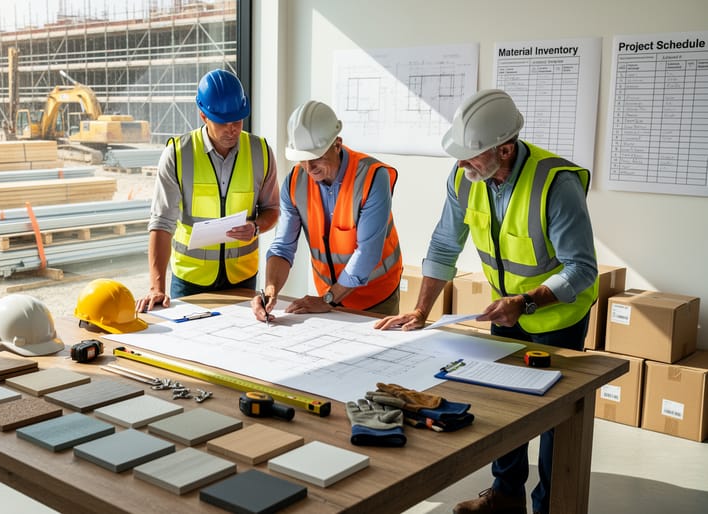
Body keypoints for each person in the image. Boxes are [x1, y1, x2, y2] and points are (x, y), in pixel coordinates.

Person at [375, 89, 598, 514]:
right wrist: (421, 310)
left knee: (554, 420)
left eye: (471, 156)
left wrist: (526, 302)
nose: (462, 165)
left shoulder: (557, 183)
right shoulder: (465, 177)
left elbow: (582, 269)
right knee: (503, 406)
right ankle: (505, 496)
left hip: (559, 318)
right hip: (506, 313)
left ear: (505, 149)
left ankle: (550, 506)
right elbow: (445, 245)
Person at [136, 69, 279, 312]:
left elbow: (272, 209)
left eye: (237, 120)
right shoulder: (178, 154)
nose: (232, 129)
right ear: (203, 115)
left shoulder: (260, 152)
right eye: (223, 122)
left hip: (243, 278)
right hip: (190, 281)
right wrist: (156, 287)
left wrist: (255, 227)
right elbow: (161, 223)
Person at [252, 100, 402, 321]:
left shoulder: (372, 177)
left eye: (316, 158)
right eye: (302, 159)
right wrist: (270, 290)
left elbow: (368, 252)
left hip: (376, 298)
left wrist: (327, 300)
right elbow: (283, 247)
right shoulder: (294, 183)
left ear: (337, 144)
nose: (309, 168)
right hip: (328, 296)